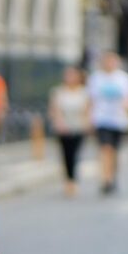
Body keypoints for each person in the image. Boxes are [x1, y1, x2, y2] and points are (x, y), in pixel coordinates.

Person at [88, 51, 128, 195]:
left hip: (119, 120)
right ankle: (106, 179)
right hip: (101, 119)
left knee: (114, 151)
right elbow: (90, 99)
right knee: (105, 149)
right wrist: (88, 119)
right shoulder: (96, 78)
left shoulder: (124, 79)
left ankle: (112, 175)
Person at [49, 65, 91, 197]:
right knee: (66, 154)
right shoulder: (58, 91)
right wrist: (59, 123)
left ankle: (73, 179)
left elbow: (88, 110)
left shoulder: (84, 92)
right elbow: (55, 109)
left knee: (75, 154)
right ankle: (68, 180)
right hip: (63, 127)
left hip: (79, 127)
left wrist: (87, 123)